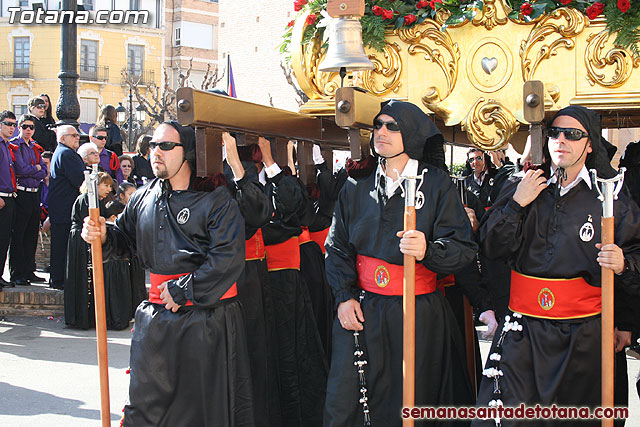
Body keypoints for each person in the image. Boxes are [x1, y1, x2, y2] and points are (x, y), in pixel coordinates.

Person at [473, 105, 640, 426]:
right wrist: (517, 203)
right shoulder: (523, 185)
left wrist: (624, 267)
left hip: (583, 337)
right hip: (523, 334)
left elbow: (636, 258)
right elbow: (491, 248)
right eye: (555, 133)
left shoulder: (611, 197)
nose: (561, 140)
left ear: (590, 144)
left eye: (573, 135)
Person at [81, 121, 253, 426]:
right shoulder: (142, 197)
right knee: (147, 409)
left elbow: (227, 257)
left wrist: (185, 290)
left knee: (198, 413)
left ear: (186, 152)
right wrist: (104, 235)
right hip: (156, 321)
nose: (155, 152)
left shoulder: (216, 198)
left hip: (205, 321)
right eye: (152, 146)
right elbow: (125, 238)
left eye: (165, 146)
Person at [324, 100, 477, 426]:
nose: (381, 132)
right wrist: (344, 296)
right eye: (378, 125)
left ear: (412, 133)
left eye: (392, 126)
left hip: (418, 313)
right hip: (363, 310)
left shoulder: (437, 184)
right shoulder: (355, 185)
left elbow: (463, 248)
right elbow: (336, 247)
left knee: (414, 402)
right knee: (350, 404)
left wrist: (429, 249)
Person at [64, 171, 114, 329]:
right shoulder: (86, 199)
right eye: (105, 185)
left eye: (110, 186)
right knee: (81, 276)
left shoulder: (97, 201)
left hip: (83, 240)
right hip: (81, 241)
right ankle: (80, 317)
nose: (108, 189)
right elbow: (91, 221)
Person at [9, 114, 47, 286]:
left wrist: (34, 169)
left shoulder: (35, 147)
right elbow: (20, 169)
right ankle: (17, 272)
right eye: (25, 126)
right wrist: (35, 168)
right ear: (19, 127)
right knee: (19, 234)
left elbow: (43, 170)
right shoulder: (14, 146)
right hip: (21, 193)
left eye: (31, 127)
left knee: (32, 234)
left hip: (34, 192)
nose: (28, 130)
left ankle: (29, 270)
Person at [47, 125, 85, 290]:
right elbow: (80, 180)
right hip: (65, 209)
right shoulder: (67, 154)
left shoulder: (62, 152)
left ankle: (58, 278)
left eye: (77, 135)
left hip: (61, 208)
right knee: (62, 246)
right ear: (63, 138)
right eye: (74, 135)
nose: (77, 138)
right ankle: (59, 279)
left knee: (60, 245)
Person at [0, 111, 18, 289]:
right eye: (8, 123)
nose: (12, 127)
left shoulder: (7, 146)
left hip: (9, 197)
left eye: (14, 124)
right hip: (1, 198)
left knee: (4, 239)